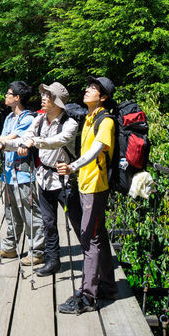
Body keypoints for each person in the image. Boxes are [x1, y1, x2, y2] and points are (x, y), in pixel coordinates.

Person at [3, 81, 81, 277]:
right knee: (48, 222)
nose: (43, 98)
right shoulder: (39, 120)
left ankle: (91, 262)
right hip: (44, 178)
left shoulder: (69, 124)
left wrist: (32, 142)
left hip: (64, 179)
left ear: (58, 102)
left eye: (48, 96)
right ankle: (52, 261)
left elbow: (56, 142)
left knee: (78, 223)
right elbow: (23, 138)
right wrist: (4, 145)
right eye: (44, 95)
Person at [57, 76, 118, 314]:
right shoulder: (90, 118)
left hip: (95, 187)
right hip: (86, 185)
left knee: (88, 239)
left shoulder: (106, 121)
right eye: (88, 86)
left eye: (93, 88)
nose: (87, 89)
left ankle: (88, 296)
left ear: (103, 97)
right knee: (98, 235)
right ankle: (108, 286)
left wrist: (73, 167)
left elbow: (96, 151)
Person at [0, 81, 46, 265]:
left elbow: (8, 139)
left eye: (8, 93)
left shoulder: (28, 119)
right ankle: (9, 248)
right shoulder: (8, 118)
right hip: (8, 172)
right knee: (10, 211)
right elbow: (3, 142)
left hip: (23, 173)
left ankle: (37, 251)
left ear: (17, 98)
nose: (5, 96)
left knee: (30, 212)